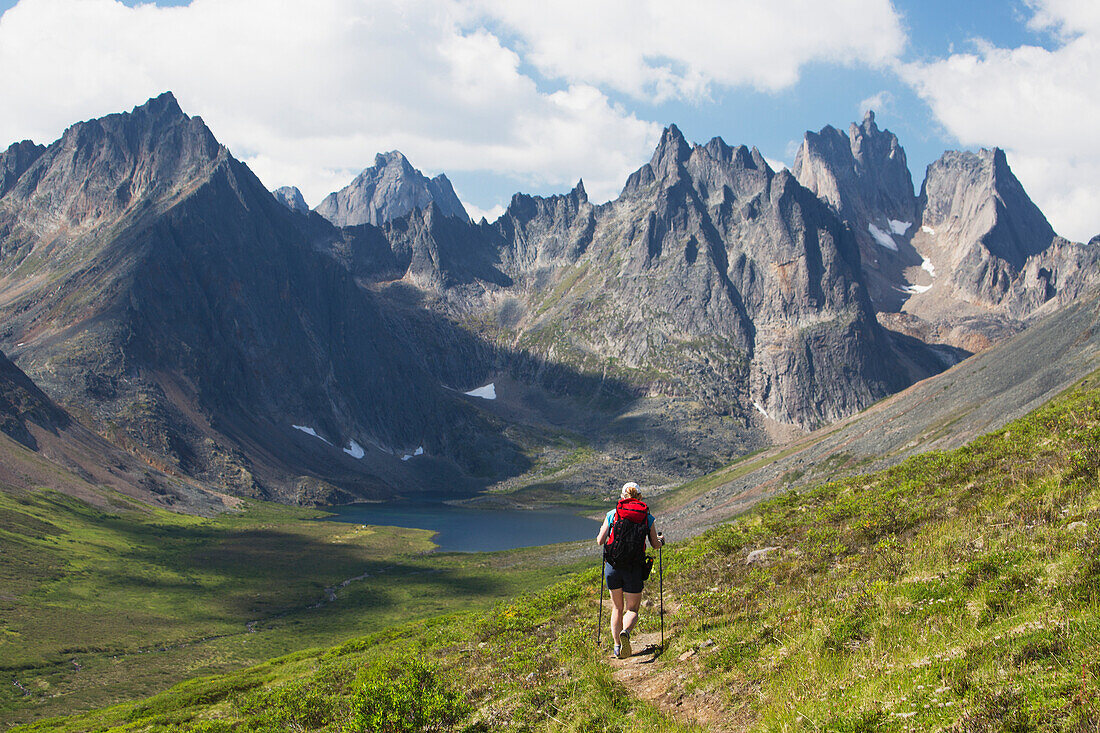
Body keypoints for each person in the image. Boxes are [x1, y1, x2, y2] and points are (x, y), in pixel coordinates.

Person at [596, 481, 663, 658]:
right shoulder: (647, 518)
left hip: (613, 566)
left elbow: (600, 541)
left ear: (622, 497)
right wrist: (661, 540)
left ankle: (617, 647)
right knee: (632, 609)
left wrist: (603, 531)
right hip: (634, 568)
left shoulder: (613, 514)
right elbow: (655, 545)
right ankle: (625, 631)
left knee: (617, 607)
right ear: (640, 497)